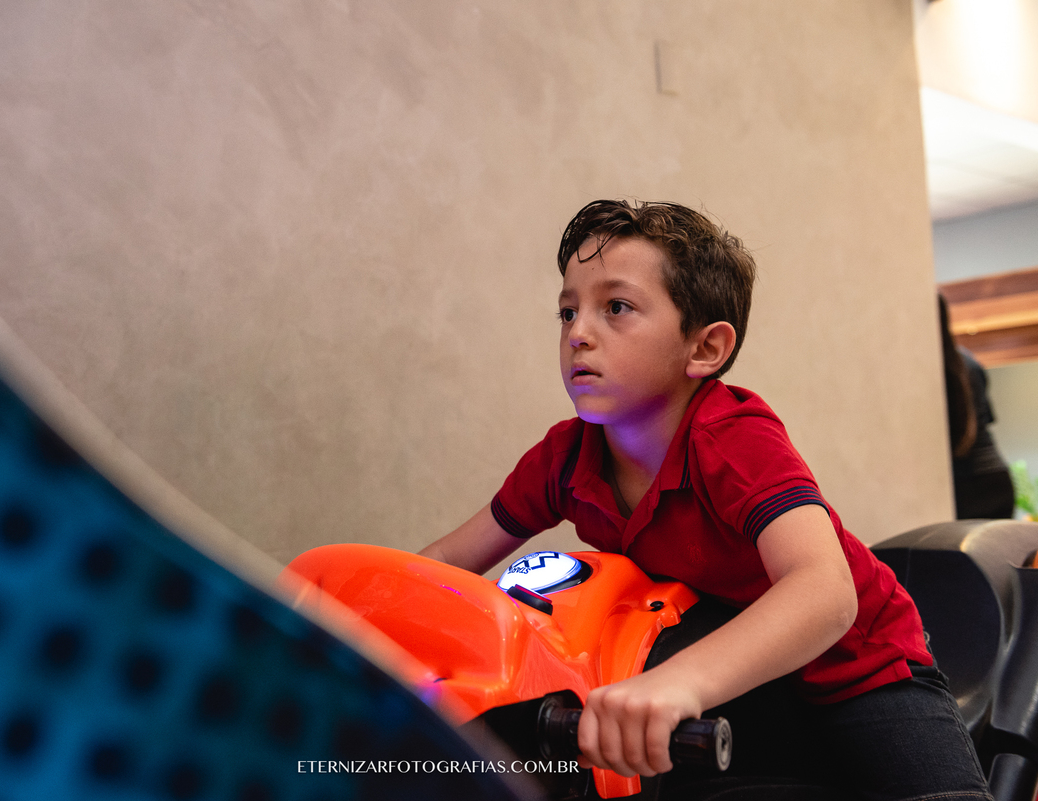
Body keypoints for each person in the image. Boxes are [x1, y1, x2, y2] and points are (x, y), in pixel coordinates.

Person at [420, 200, 991, 800]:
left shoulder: (731, 437)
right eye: (568, 312)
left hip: (860, 667)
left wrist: (676, 684)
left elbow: (825, 592)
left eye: (616, 308)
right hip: (741, 678)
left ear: (705, 349)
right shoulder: (563, 459)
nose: (578, 334)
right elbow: (442, 567)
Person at [940, 293, 1015, 519]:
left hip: (964, 487)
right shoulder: (969, 362)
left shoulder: (931, 368)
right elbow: (988, 419)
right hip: (996, 478)